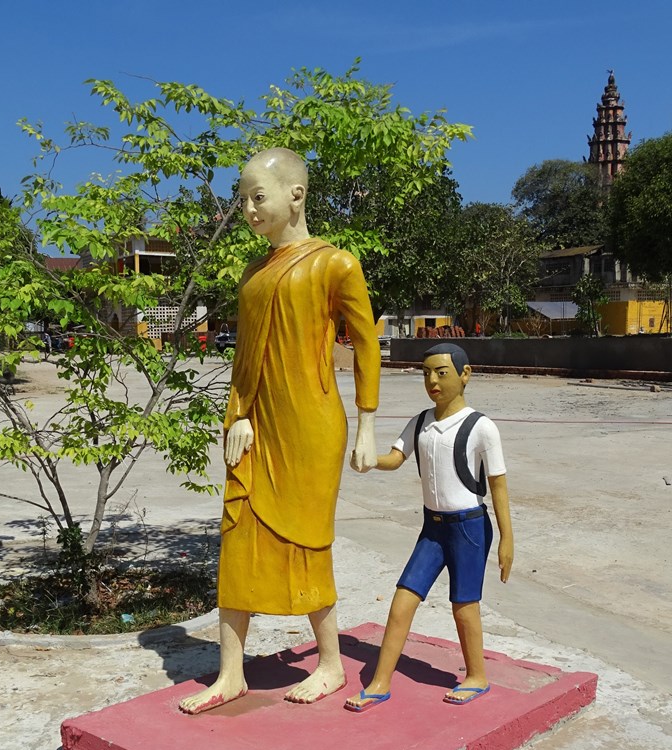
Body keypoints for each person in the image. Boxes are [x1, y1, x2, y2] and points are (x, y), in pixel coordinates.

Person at [179, 147, 380, 714]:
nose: (247, 209)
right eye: (242, 198)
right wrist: (237, 415)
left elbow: (366, 345)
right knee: (237, 535)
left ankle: (333, 662)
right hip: (258, 423)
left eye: (257, 196)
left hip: (312, 426)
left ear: (296, 194)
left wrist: (367, 424)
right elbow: (245, 355)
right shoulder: (254, 271)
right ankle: (231, 672)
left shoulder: (334, 264)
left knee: (308, 541)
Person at [344, 342, 514, 711]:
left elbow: (498, 485)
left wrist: (506, 540)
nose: (432, 381)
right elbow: (396, 457)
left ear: (464, 375)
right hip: (432, 528)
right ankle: (379, 682)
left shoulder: (481, 427)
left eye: (441, 372)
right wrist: (371, 460)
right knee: (403, 600)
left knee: (464, 605)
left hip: (469, 527)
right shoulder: (421, 422)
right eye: (426, 373)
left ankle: (477, 675)